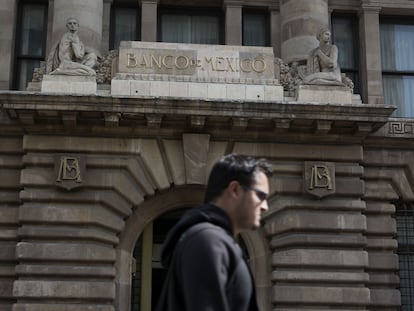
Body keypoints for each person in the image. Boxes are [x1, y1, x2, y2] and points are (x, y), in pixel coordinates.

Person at [156, 154, 272, 311]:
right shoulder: (208, 241)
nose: (265, 206)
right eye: (261, 195)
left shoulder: (213, 241)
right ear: (235, 189)